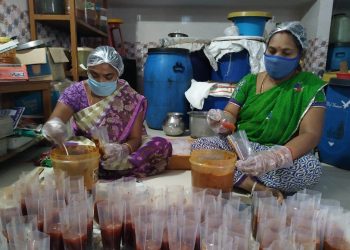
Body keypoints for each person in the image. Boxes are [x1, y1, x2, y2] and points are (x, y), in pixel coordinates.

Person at [192, 21, 326, 200]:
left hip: (282, 154)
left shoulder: (310, 87)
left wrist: (274, 158)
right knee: (200, 147)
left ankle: (230, 173)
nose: (277, 57)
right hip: (243, 147)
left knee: (311, 169)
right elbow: (231, 113)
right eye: (272, 51)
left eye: (286, 53)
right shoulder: (248, 81)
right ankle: (254, 186)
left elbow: (310, 135)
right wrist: (222, 120)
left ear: (300, 55)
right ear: (265, 50)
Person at [42, 46, 172, 179]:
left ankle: (98, 169)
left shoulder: (130, 97)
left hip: (117, 152)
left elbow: (135, 138)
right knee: (67, 150)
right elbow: (55, 120)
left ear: (118, 73)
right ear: (87, 71)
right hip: (88, 150)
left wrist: (123, 149)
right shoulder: (76, 92)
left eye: (108, 76)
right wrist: (54, 127)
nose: (101, 81)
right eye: (94, 74)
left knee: (160, 145)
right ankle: (103, 168)